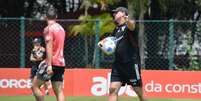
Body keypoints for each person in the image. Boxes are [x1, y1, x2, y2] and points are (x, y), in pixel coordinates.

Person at [108, 7, 147, 101]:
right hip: (118, 64)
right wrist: (103, 44)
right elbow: (110, 43)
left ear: (123, 13)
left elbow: (132, 26)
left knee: (138, 92)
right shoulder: (116, 29)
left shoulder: (129, 25)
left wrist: (127, 20)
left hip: (131, 63)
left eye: (116, 13)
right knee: (112, 89)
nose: (114, 14)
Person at [32, 7, 66, 101]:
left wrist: (49, 65)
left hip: (51, 63)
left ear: (45, 17)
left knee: (35, 86)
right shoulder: (61, 28)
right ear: (56, 16)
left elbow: (49, 46)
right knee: (59, 91)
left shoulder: (48, 29)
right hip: (61, 63)